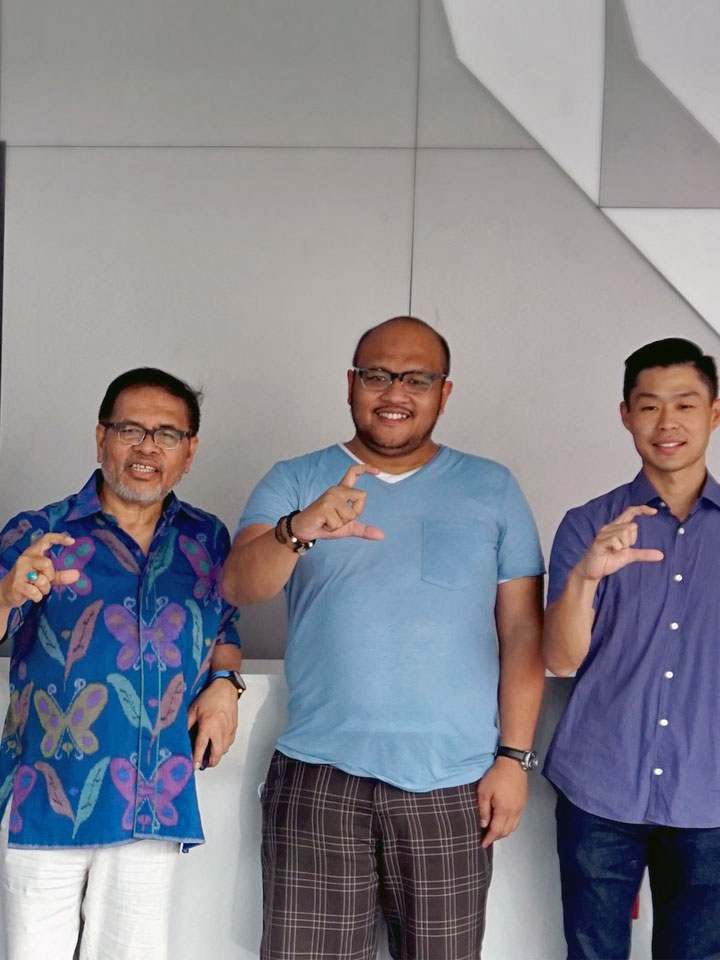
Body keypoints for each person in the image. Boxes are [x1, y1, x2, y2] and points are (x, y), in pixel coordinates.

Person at [221, 316, 546, 960]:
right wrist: (299, 528)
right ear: (351, 384)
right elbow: (238, 585)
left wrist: (513, 759)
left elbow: (521, 632)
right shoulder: (296, 478)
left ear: (444, 393)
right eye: (377, 375)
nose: (395, 392)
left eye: (416, 379)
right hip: (319, 777)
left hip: (453, 785)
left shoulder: (494, 488)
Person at [0, 367, 243, 960]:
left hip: (151, 802)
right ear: (100, 437)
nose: (147, 447)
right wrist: (6, 593)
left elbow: (224, 628)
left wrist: (224, 682)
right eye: (130, 430)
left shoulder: (208, 539)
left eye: (167, 434)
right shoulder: (42, 530)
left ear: (189, 452)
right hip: (45, 797)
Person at [542, 338, 720, 959]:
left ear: (715, 413)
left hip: (708, 795)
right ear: (626, 415)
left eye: (685, 405)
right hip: (598, 789)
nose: (667, 423)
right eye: (649, 406)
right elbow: (560, 659)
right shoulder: (588, 524)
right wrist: (586, 577)